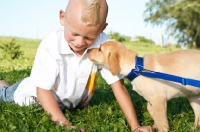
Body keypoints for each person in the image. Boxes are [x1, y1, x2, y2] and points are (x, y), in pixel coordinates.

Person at [0, 0, 153, 132]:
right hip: (31, 94)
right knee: (5, 94)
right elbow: (43, 90)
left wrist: (135, 126)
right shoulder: (51, 44)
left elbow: (118, 86)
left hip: (65, 101)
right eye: (74, 34)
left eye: (89, 37)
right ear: (62, 18)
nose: (80, 42)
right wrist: (64, 124)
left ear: (102, 29)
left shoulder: (102, 45)